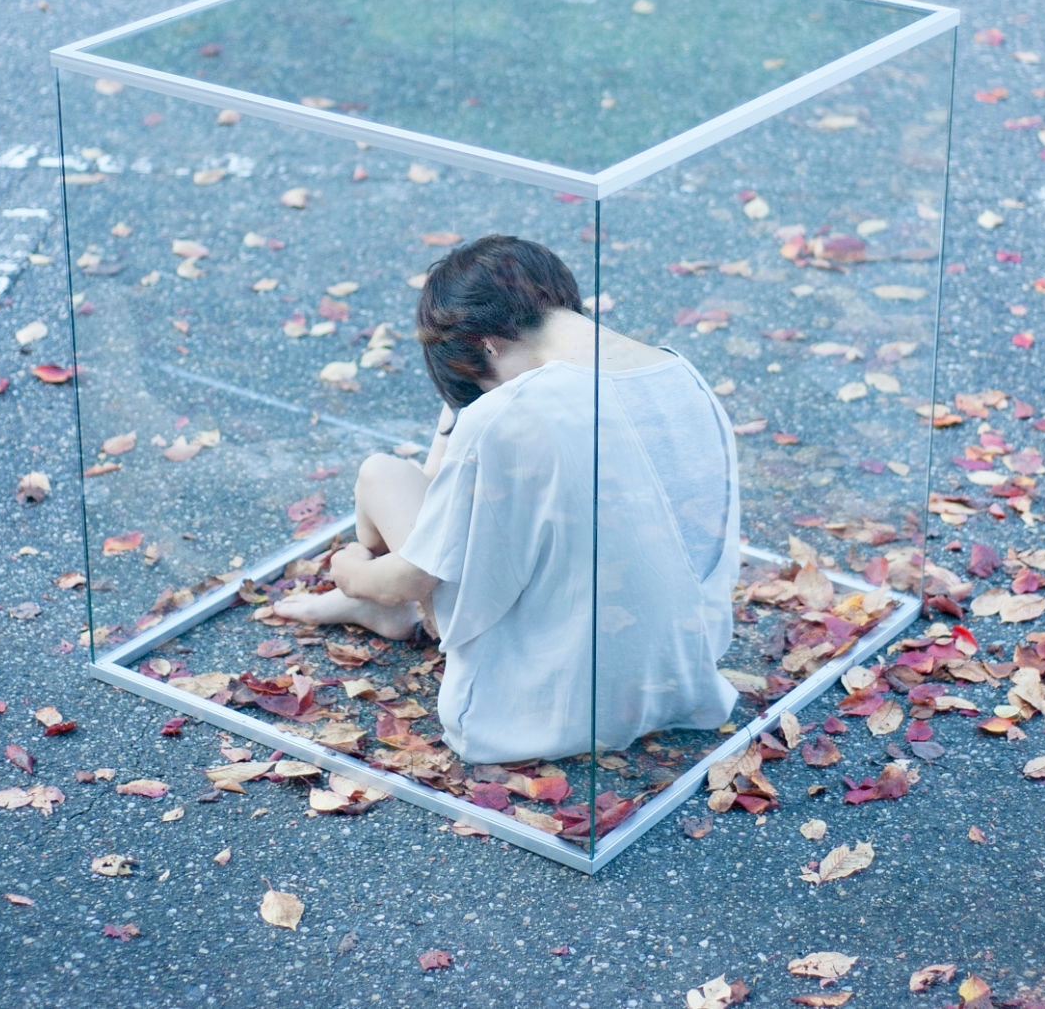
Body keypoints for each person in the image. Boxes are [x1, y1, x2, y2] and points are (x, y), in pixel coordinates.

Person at [274, 235, 742, 764]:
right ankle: (378, 607)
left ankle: (372, 603)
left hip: (547, 703)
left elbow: (413, 577)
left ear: (490, 344)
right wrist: (466, 409)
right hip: (675, 677)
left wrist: (349, 568)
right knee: (458, 436)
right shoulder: (682, 375)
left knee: (381, 474)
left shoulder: (513, 412)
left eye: (478, 374)